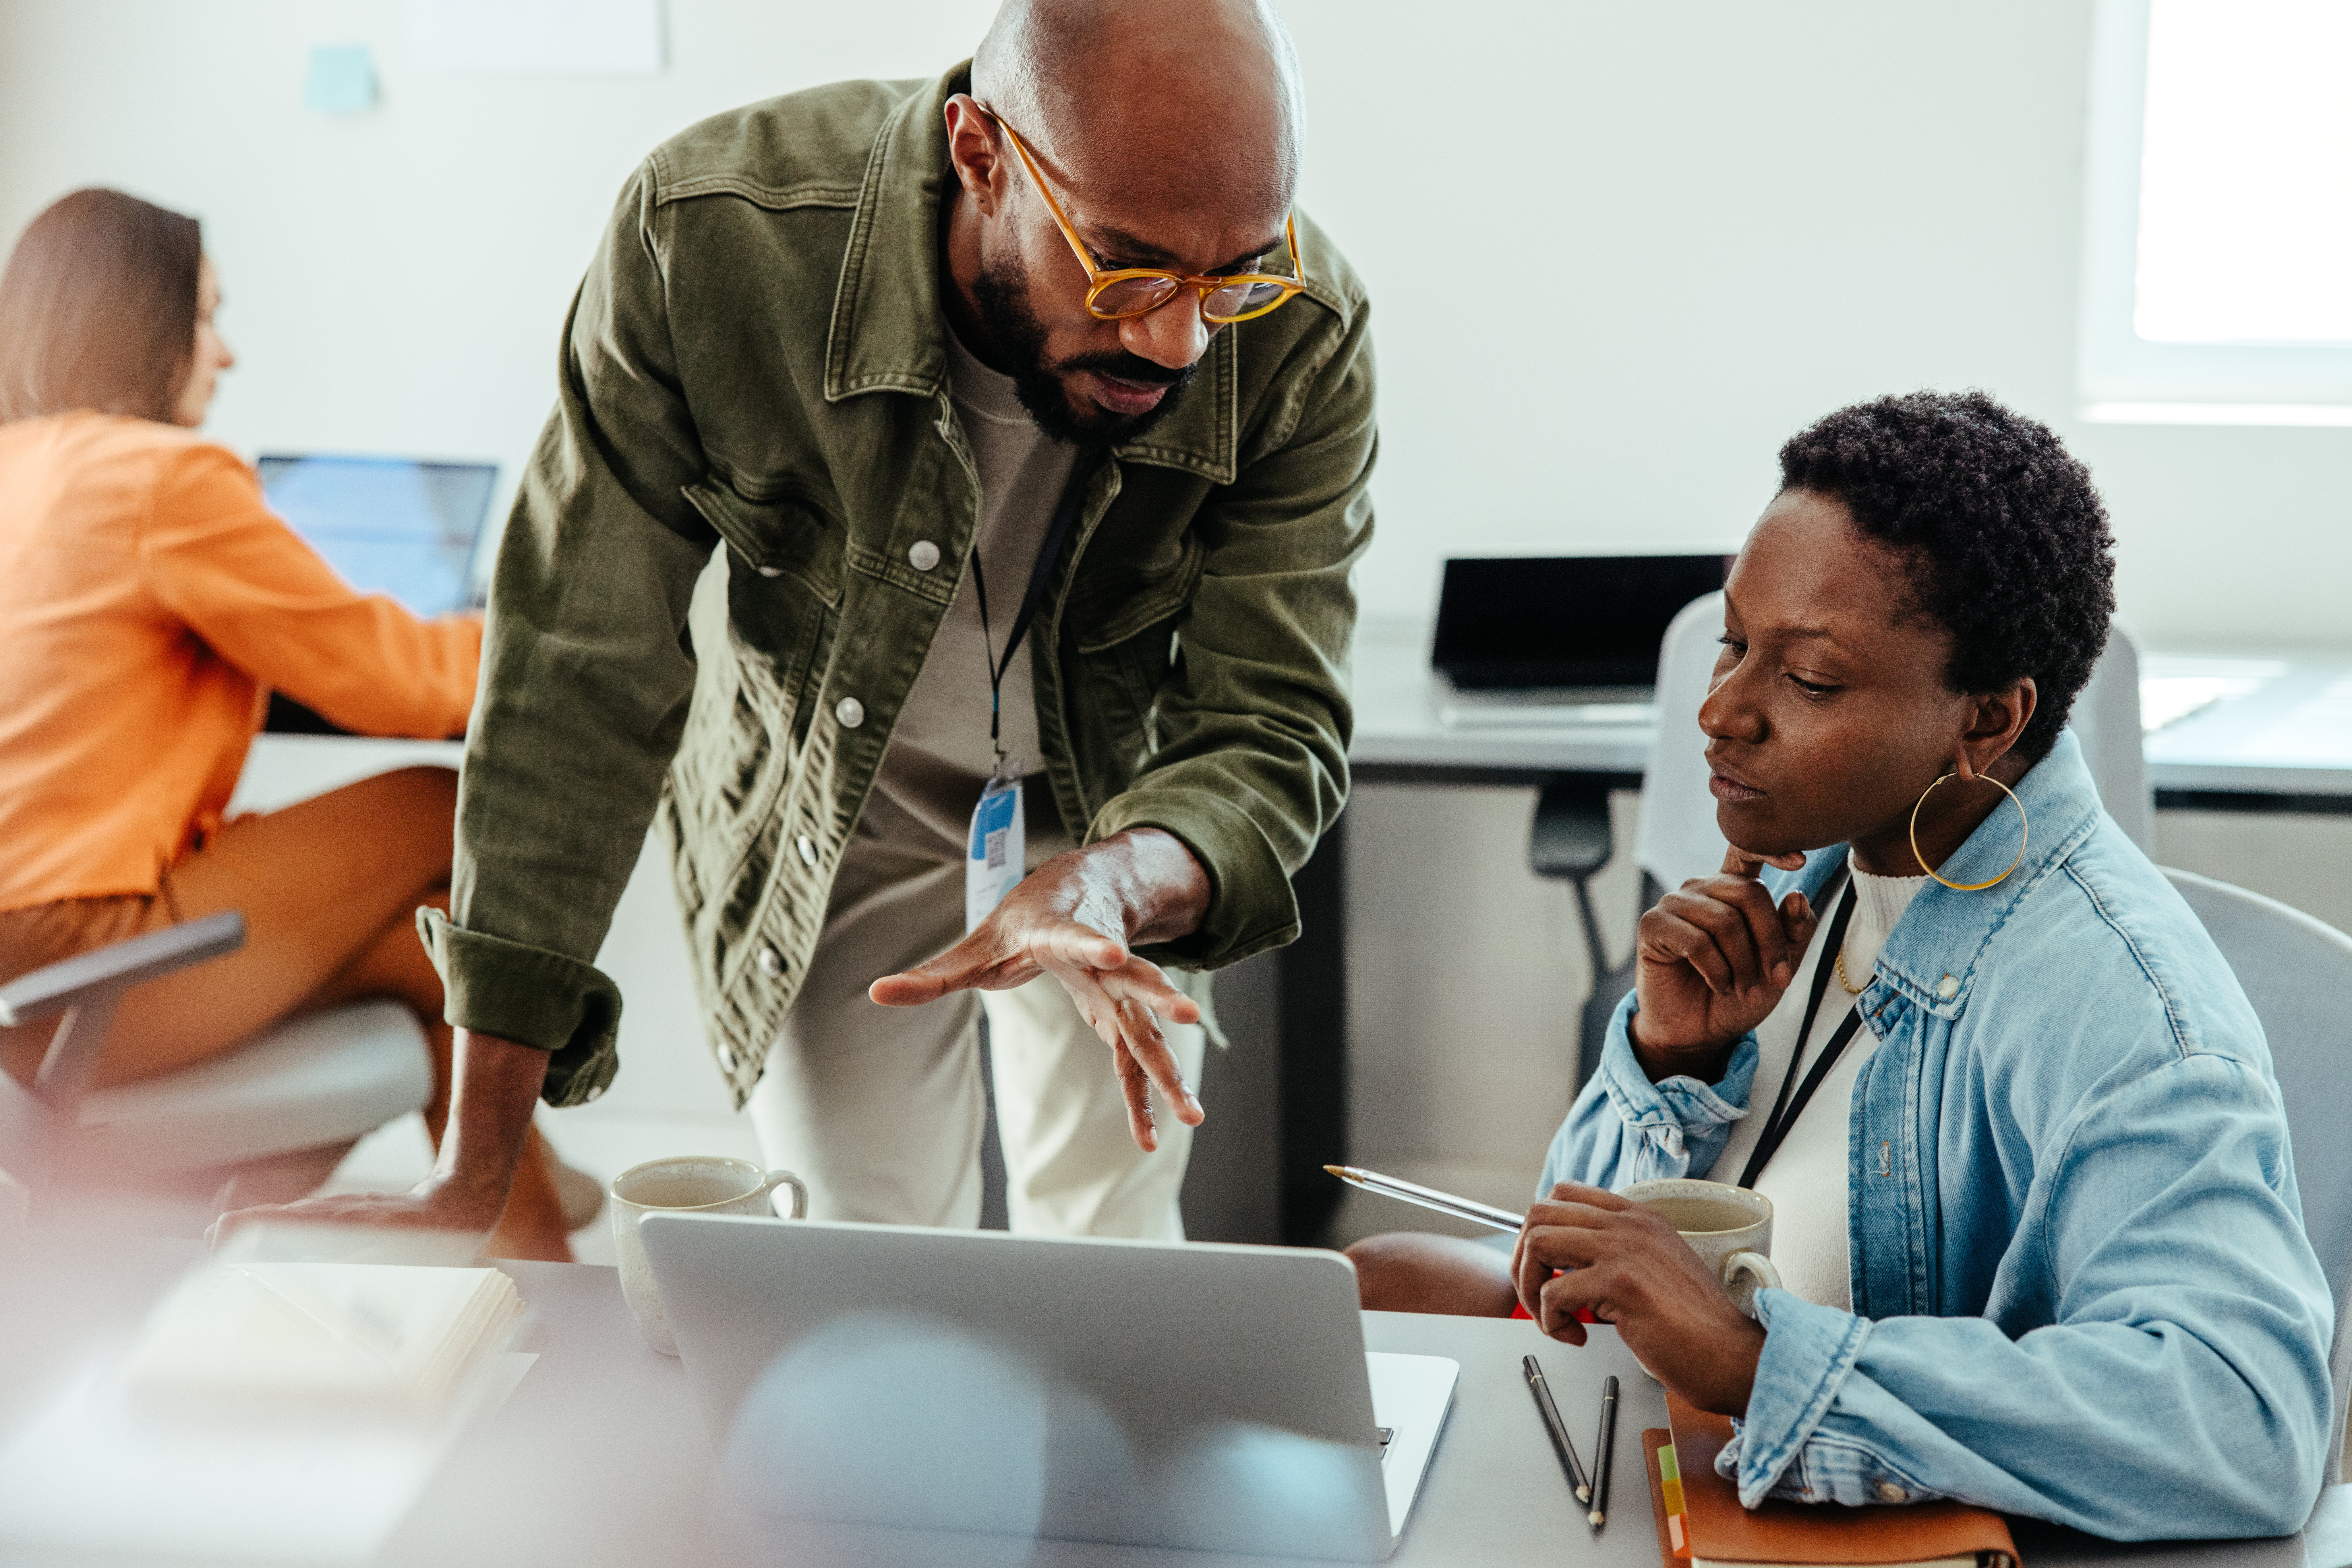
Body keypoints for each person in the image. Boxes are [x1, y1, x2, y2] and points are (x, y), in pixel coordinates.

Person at [228, 0, 1373, 1244]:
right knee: (863, 1268)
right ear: (980, 153)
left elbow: (1270, 723)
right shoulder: (708, 244)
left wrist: (1108, 885)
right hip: (834, 809)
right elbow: (575, 679)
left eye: (1235, 274)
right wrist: (475, 1167)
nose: (1178, 334)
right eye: (1128, 264)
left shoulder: (1304, 335)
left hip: (1114, 815)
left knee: (1109, 1251)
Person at [1345, 392, 2334, 1539]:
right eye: (1731, 642)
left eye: (1807, 681)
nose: (1718, 712)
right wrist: (1677, 1059)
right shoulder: (1812, 882)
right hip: (1663, 1470)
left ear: (1987, 719)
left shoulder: (2119, 1011)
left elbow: (2243, 1418)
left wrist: (1760, 1360)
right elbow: (1574, 1253)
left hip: (1829, 1525)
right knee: (1377, 1284)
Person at [0, 188, 583, 1259]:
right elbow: (396, 683)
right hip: (64, 969)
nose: (223, 355)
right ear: (142, 321)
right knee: (440, 803)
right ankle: (532, 1250)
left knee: (427, 958)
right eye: (208, 317)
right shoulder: (158, 476)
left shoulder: (20, 466)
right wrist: (534, 636)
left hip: (27, 969)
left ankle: (524, 1217)